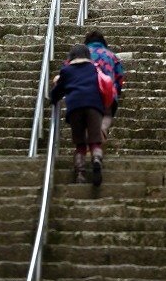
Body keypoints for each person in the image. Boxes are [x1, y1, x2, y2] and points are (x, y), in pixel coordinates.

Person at [50, 44, 105, 185]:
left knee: (80, 143)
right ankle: (97, 159)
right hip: (94, 105)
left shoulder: (67, 70)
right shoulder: (94, 68)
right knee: (94, 140)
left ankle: (80, 174)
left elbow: (58, 91)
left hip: (75, 106)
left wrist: (53, 98)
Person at [84, 30, 125, 139]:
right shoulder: (111, 55)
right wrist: (117, 90)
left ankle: (90, 142)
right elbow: (120, 76)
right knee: (107, 114)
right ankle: (102, 129)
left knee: (87, 117)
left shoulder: (83, 55)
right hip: (107, 91)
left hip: (86, 91)